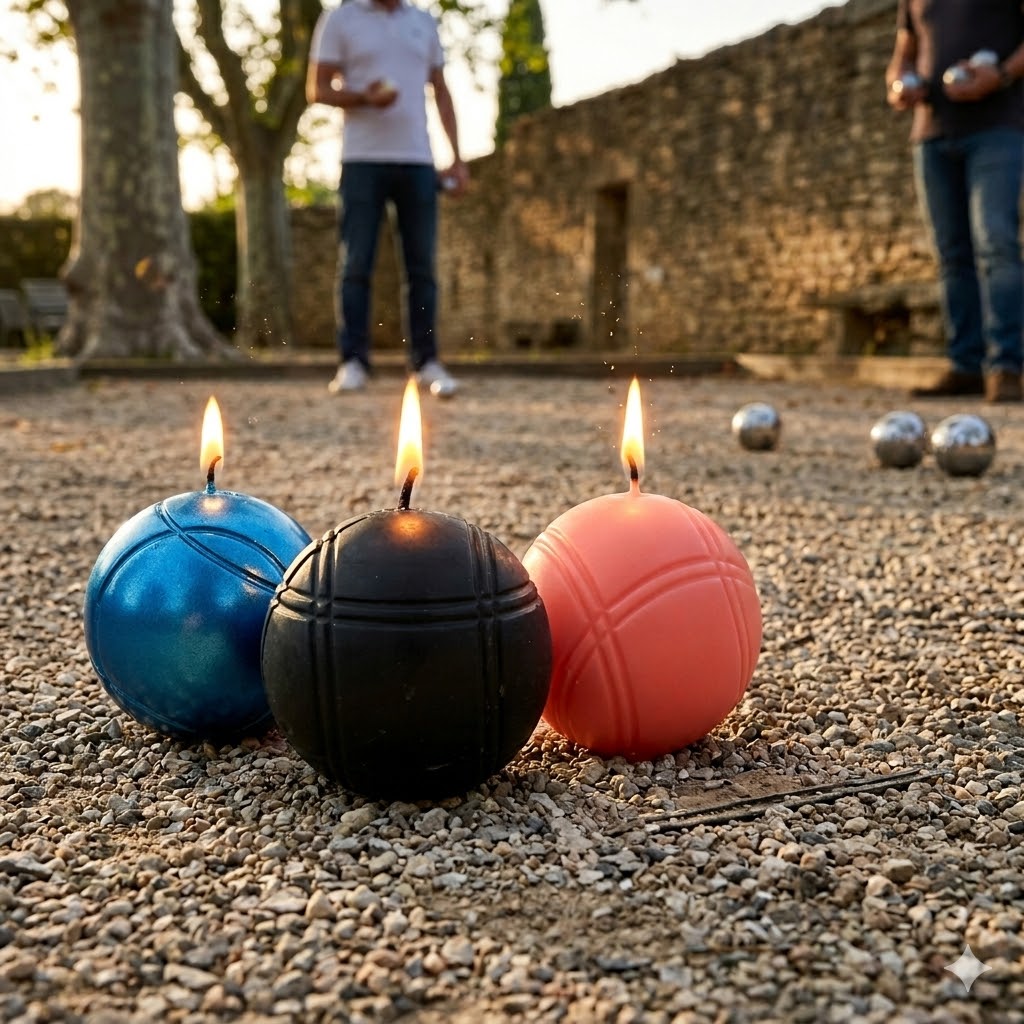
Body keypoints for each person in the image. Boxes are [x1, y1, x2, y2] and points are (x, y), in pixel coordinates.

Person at [306, 0, 469, 396]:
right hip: (361, 159)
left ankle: (426, 361)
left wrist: (457, 158)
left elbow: (441, 90)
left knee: (422, 268)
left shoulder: (423, 22)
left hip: (418, 160)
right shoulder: (340, 19)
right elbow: (317, 89)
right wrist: (365, 97)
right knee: (356, 264)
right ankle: (353, 362)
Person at [886, 0, 1024, 403]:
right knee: (951, 256)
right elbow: (903, 56)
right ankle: (965, 365)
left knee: (996, 243)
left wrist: (1000, 74)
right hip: (931, 134)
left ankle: (1007, 366)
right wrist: (899, 85)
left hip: (997, 128)